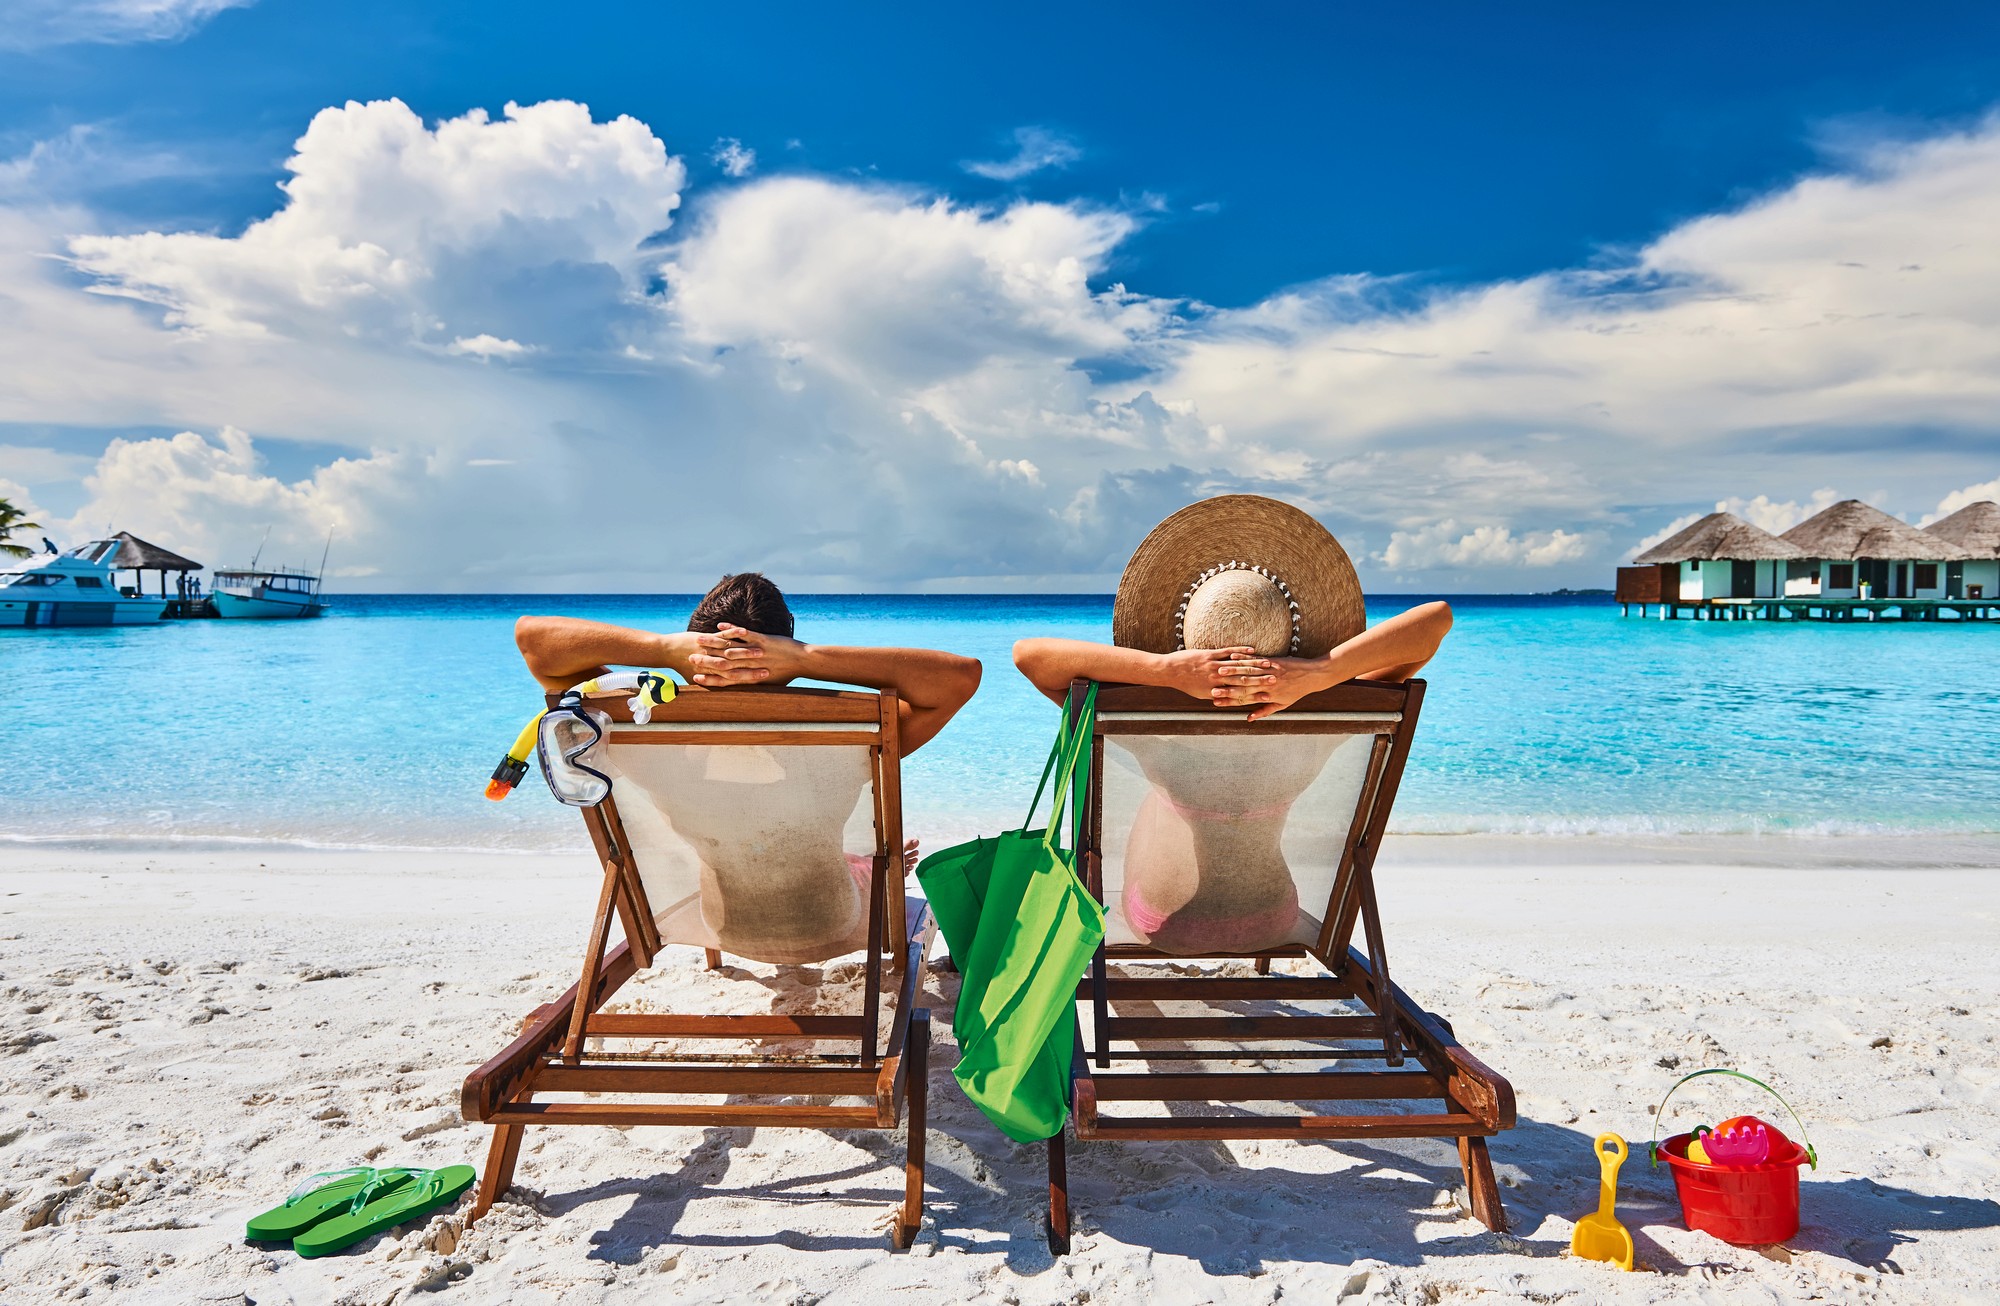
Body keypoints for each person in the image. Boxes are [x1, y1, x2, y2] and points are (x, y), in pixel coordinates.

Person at [1011, 496, 1453, 954]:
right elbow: (1436, 620)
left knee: (1158, 796)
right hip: (1272, 919)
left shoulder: (1145, 724)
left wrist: (1166, 672)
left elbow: (1029, 655)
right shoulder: (1329, 712)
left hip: (1163, 924)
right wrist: (1319, 673)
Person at [514, 573, 982, 962]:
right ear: (785, 639)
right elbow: (960, 678)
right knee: (832, 849)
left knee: (763, 838)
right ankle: (864, 867)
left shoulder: (647, 737)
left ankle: (855, 865)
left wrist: (662, 648)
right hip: (831, 919)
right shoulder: (845, 739)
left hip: (725, 927)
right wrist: (805, 659)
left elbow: (535, 642)